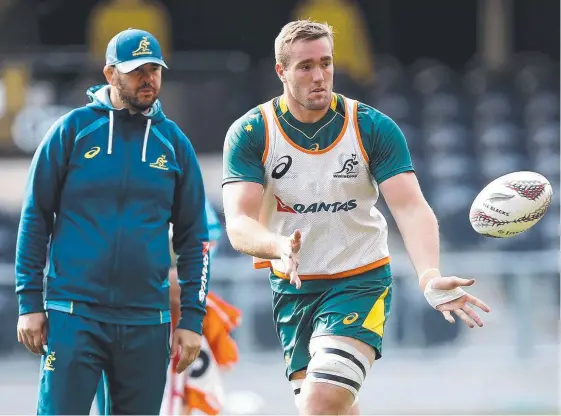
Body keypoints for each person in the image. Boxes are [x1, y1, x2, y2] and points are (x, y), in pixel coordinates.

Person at [221, 19, 491, 416]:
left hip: (359, 280)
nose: (319, 76)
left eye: (326, 63)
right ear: (281, 72)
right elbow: (239, 223)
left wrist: (429, 275)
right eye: (305, 66)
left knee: (320, 400)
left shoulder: (370, 126)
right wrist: (276, 245)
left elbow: (410, 206)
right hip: (293, 290)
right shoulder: (252, 132)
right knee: (332, 409)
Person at [15, 28, 209, 415]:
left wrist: (191, 318)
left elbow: (195, 239)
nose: (148, 78)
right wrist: (29, 302)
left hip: (146, 321)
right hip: (74, 315)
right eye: (137, 70)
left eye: (155, 69)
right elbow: (35, 216)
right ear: (110, 74)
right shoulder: (70, 131)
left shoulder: (175, 144)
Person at [95, 199, 241, 415]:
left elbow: (203, 246)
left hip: (172, 314)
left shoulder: (185, 188)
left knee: (183, 388)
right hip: (125, 313)